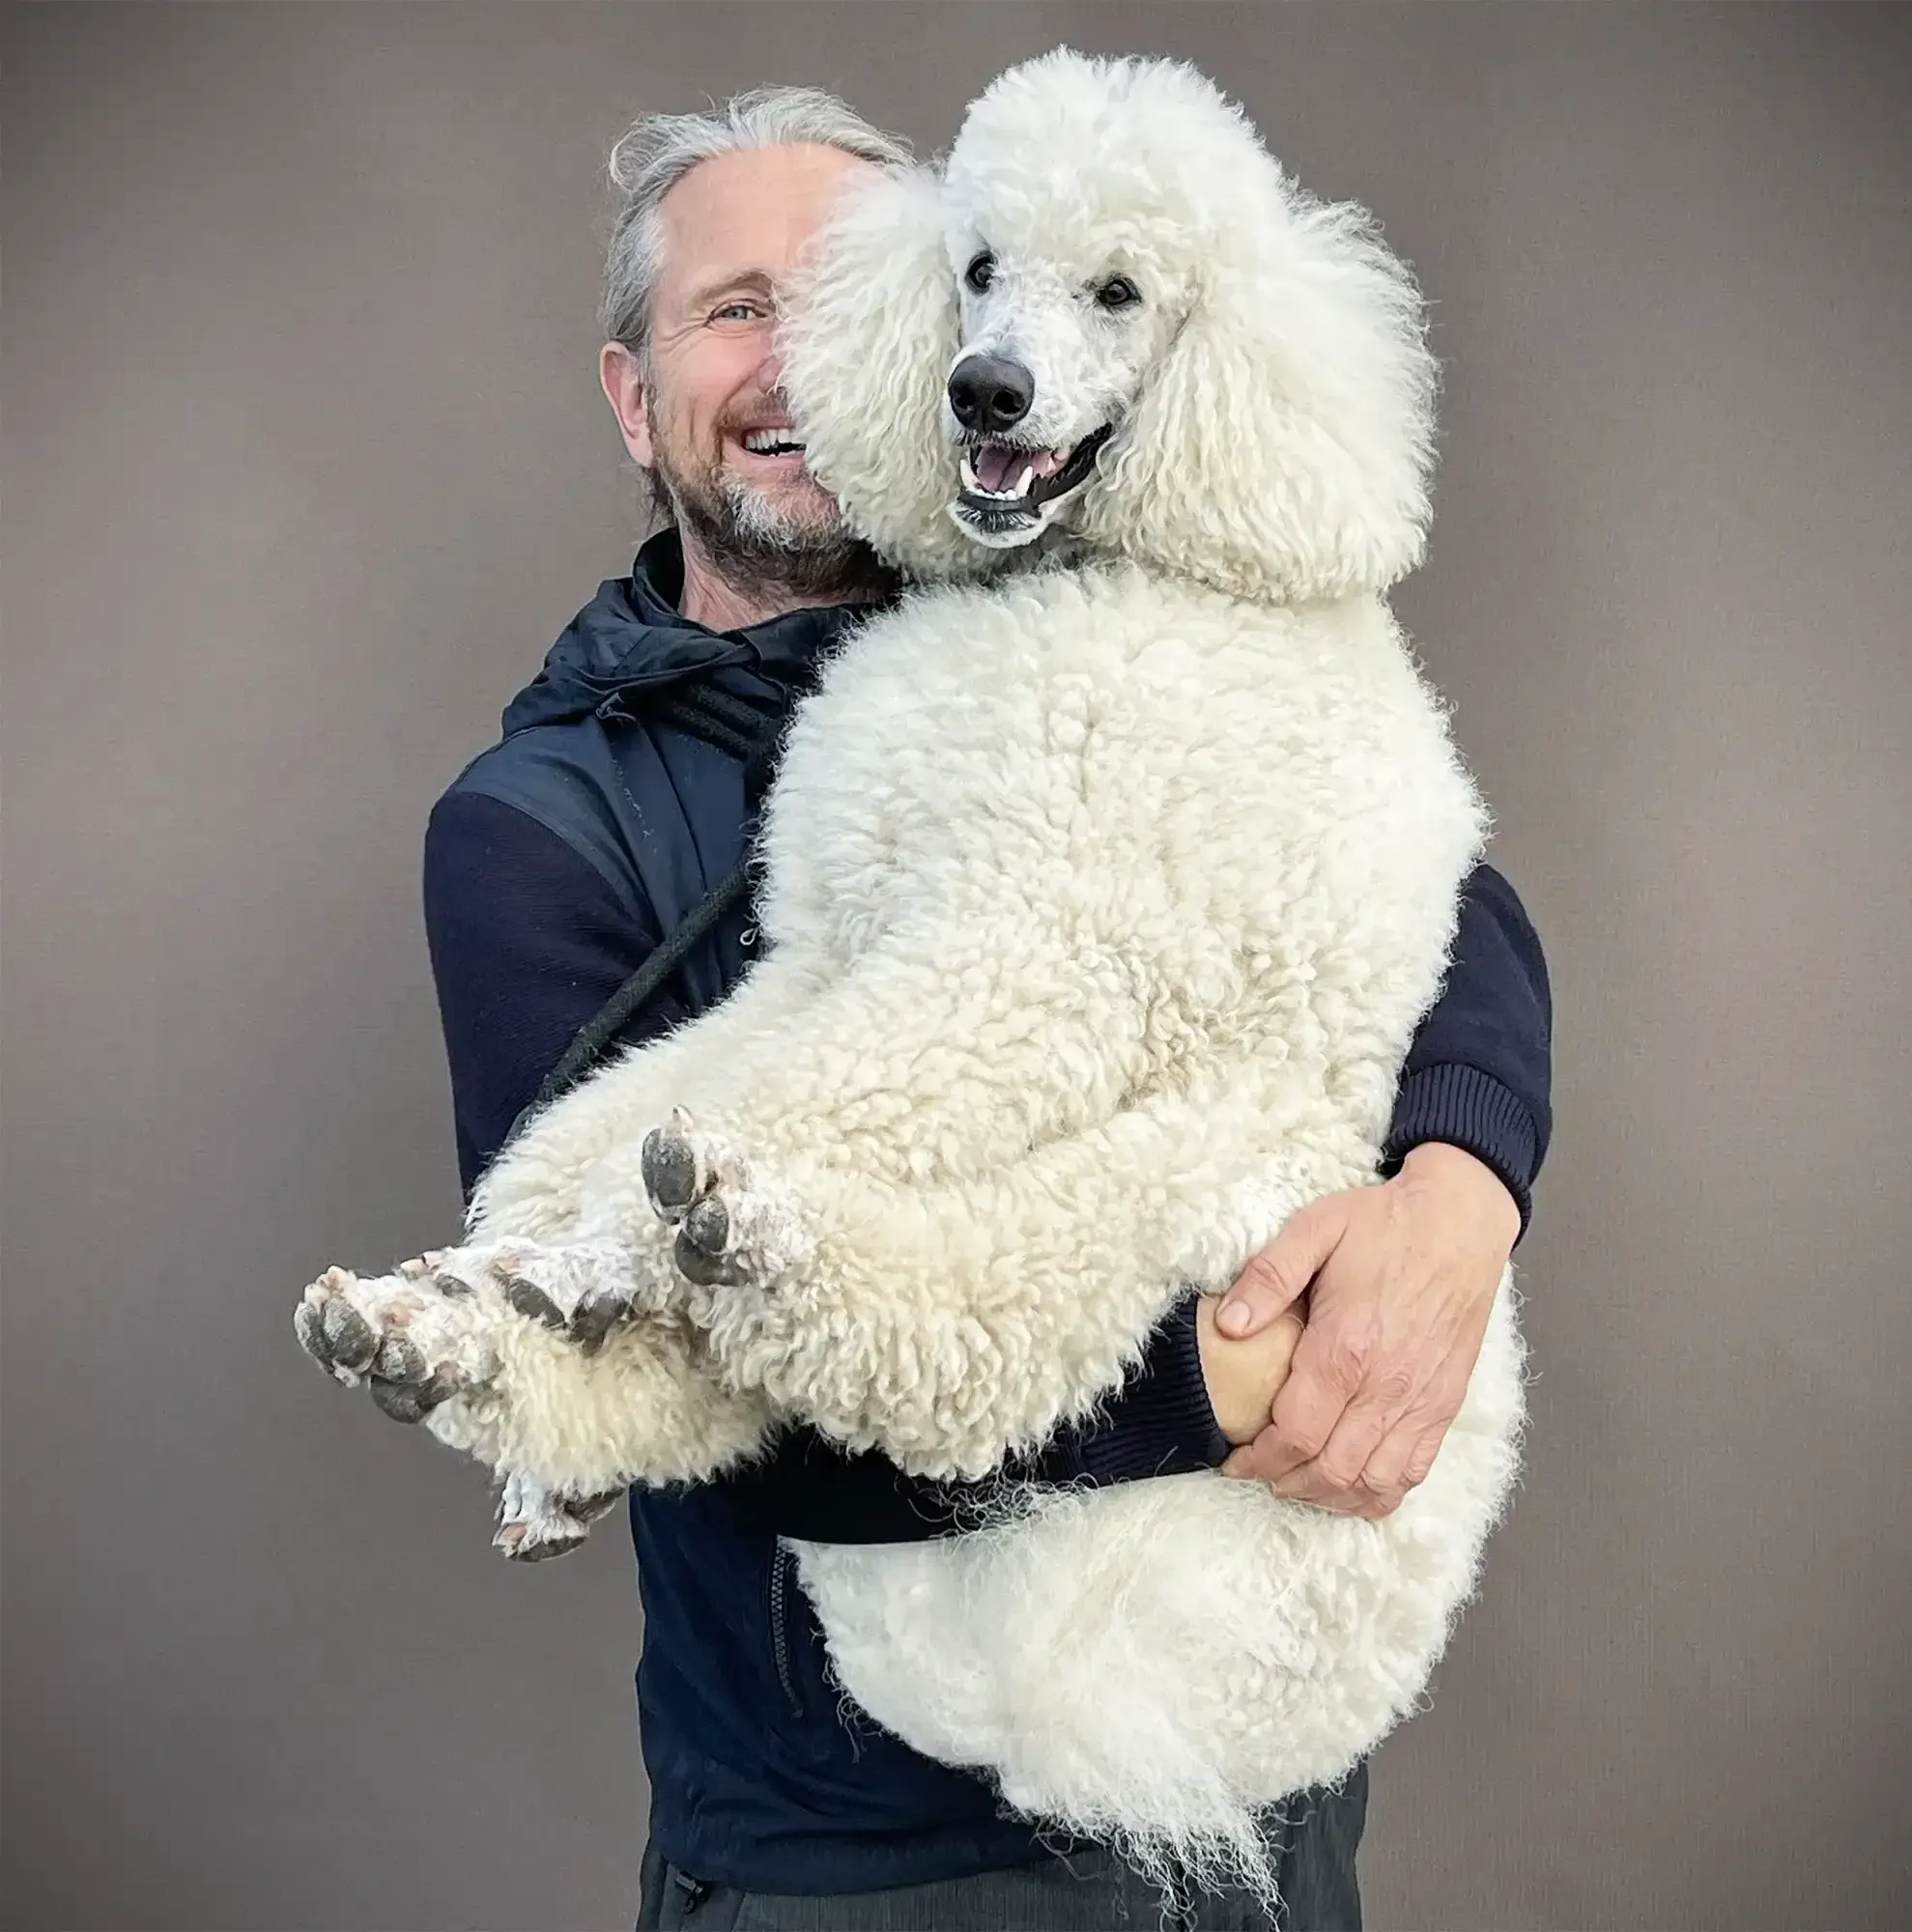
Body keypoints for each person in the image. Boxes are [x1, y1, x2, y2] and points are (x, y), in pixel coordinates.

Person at [422, 87, 1553, 1932]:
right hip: (861, 1855)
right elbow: (711, 1382)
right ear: (634, 394)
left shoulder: (1104, 609)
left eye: (843, 288)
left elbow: (1446, 898)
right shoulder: (541, 826)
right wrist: (1244, 1374)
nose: (794, 358)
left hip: (1252, 1792)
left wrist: (1459, 1193)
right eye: (731, 310)